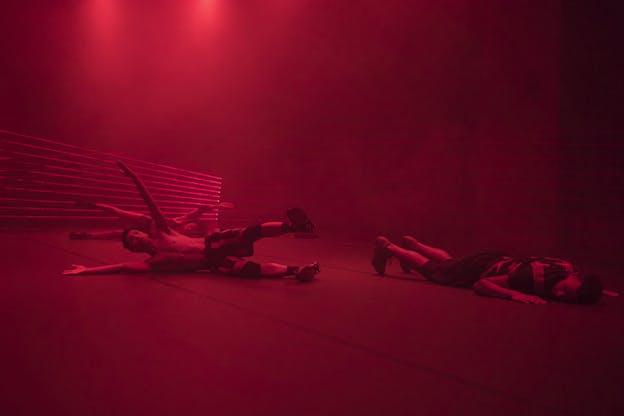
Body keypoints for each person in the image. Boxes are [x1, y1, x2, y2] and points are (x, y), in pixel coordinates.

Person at [64, 161, 320, 282]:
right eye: (132, 240)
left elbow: (148, 201)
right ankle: (295, 271)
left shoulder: (163, 232)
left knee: (249, 232)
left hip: (213, 242)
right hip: (212, 262)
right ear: (134, 247)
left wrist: (133, 176)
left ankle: (293, 227)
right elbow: (118, 268)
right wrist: (86, 270)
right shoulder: (153, 262)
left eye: (135, 234)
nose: (137, 236)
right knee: (249, 271)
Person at [371, 235, 604, 304]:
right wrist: (515, 294)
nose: (560, 294)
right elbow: (481, 285)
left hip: (497, 258)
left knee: (451, 262)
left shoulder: (568, 269)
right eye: (564, 289)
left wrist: (599, 292)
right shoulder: (530, 280)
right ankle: (389, 246)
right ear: (572, 277)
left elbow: (581, 283)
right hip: (483, 269)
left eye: (568, 296)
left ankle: (415, 244)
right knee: (432, 270)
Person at [68, 201, 231, 240]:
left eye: (193, 230)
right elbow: (201, 209)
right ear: (193, 223)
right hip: (147, 221)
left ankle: (86, 235)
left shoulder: (184, 236)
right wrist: (218, 205)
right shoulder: (184, 219)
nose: (191, 228)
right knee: (118, 212)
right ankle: (90, 204)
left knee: (121, 234)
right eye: (192, 226)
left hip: (152, 231)